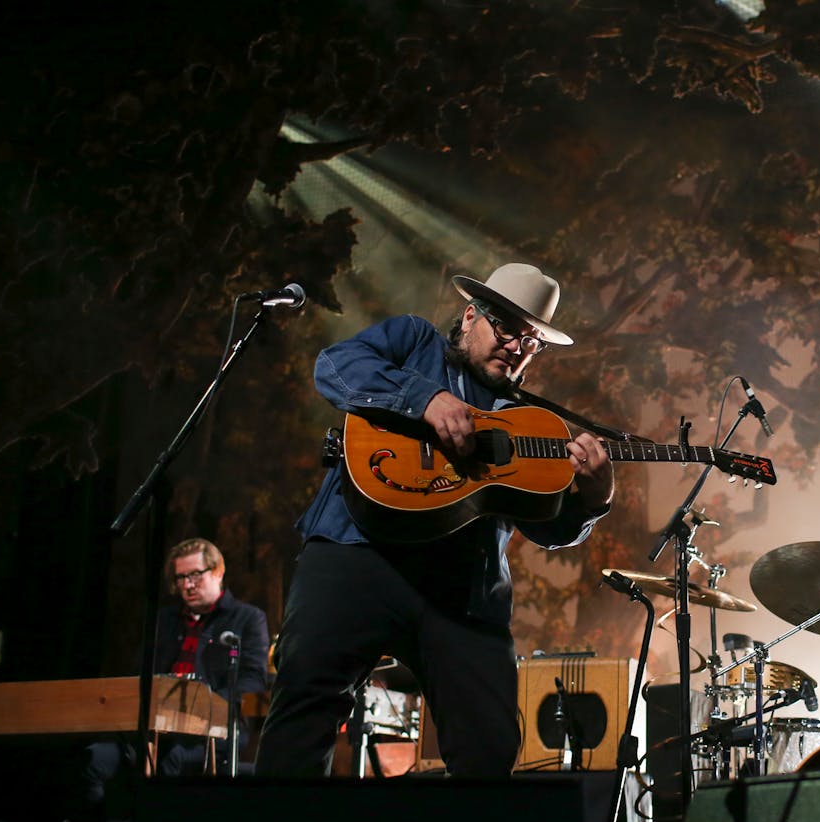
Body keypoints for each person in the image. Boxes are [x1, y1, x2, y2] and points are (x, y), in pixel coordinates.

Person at [254, 262, 614, 778]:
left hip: (460, 589)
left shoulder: (532, 422)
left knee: (489, 747)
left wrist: (594, 500)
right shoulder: (412, 339)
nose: (517, 346)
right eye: (506, 327)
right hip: (356, 549)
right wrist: (424, 398)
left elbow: (548, 526)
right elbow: (335, 365)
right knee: (301, 715)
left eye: (532, 340)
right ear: (470, 317)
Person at [63, 537, 270, 822]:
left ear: (218, 571)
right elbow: (140, 677)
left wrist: (201, 698)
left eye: (195, 575)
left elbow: (253, 681)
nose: (187, 585)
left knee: (166, 758)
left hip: (214, 735)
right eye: (180, 578)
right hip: (151, 730)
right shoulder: (164, 620)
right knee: (94, 759)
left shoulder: (247, 619)